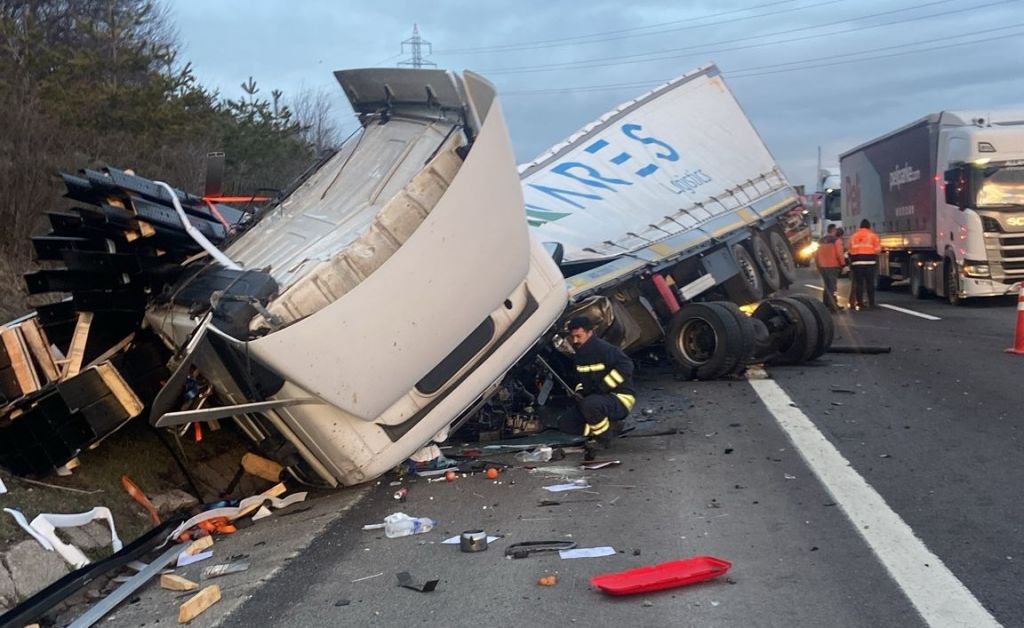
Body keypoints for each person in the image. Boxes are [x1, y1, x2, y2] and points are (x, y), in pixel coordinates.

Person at [563, 316, 636, 460]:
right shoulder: (579, 356)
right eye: (573, 337)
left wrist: (604, 386)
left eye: (579, 336)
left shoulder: (604, 349)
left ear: (589, 333)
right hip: (597, 398)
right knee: (566, 422)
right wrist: (579, 393)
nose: (575, 341)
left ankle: (604, 438)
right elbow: (580, 380)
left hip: (620, 397)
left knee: (590, 405)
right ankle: (609, 428)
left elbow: (627, 366)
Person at [848, 219, 882, 310]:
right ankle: (871, 303)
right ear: (869, 226)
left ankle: (860, 304)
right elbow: (878, 250)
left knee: (859, 284)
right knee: (870, 283)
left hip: (857, 262)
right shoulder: (873, 236)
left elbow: (850, 250)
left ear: (860, 226)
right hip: (870, 262)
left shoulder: (853, 236)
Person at [815, 225, 845, 312]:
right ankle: (833, 305)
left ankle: (826, 304)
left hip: (822, 266)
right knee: (833, 287)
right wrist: (843, 264)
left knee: (827, 286)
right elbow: (839, 254)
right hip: (832, 266)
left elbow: (816, 254)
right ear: (833, 230)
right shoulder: (836, 240)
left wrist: (818, 265)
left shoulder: (821, 240)